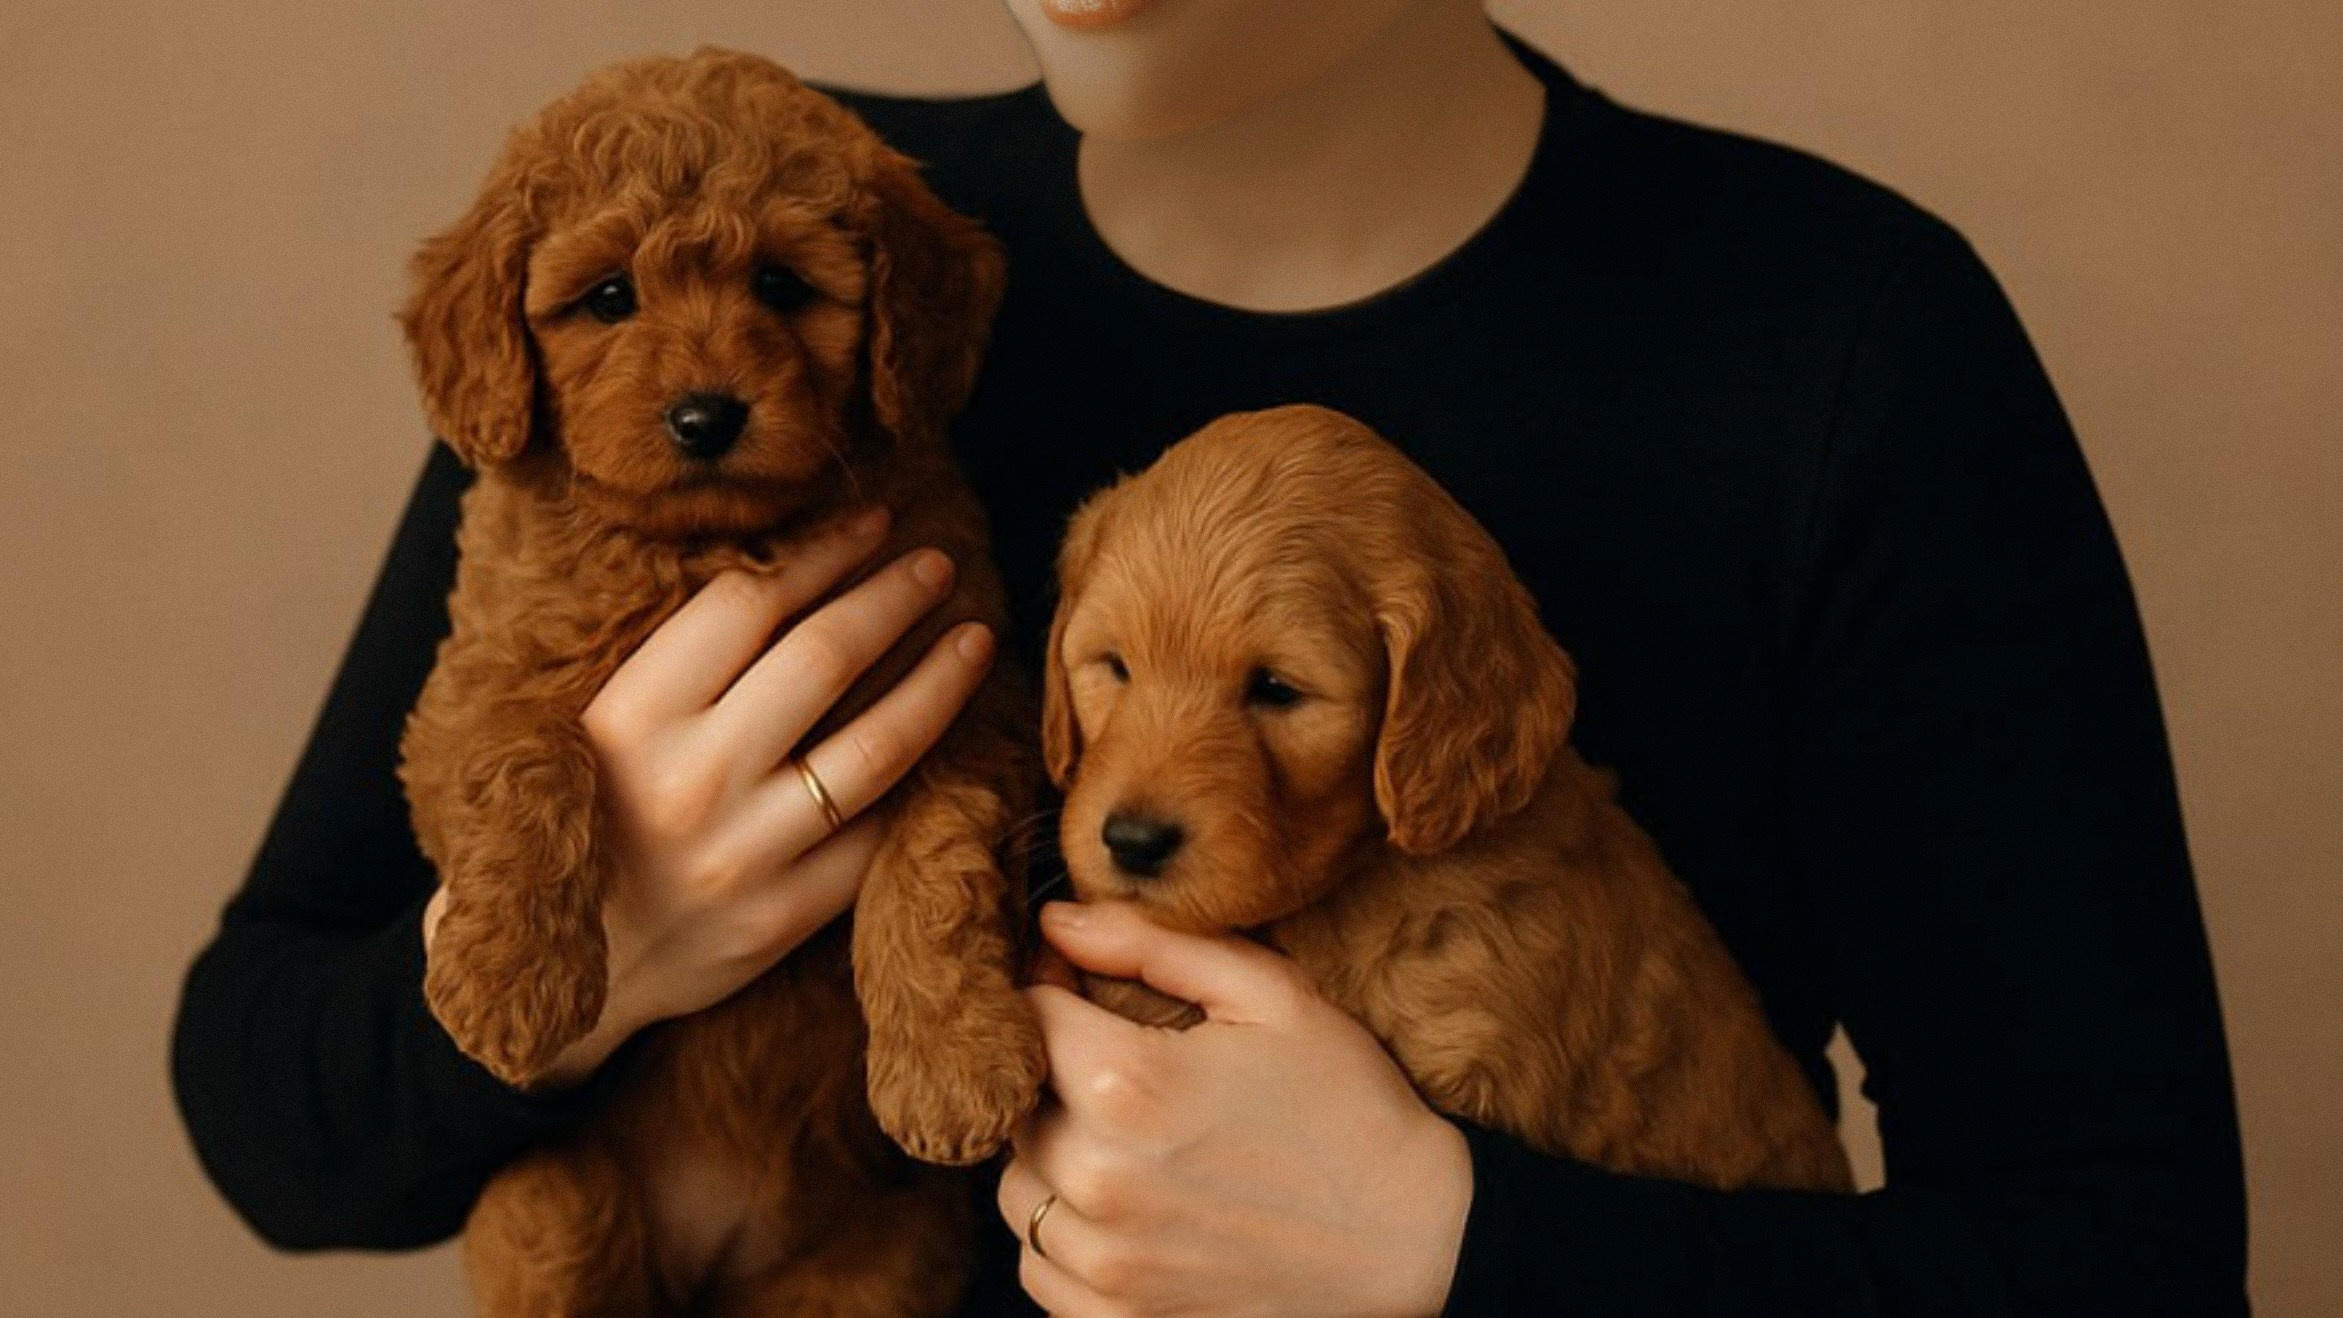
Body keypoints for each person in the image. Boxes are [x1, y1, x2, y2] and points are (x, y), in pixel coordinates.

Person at [172, 1, 2249, 1313]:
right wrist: (618, 926)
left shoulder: (1838, 340)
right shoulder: (774, 247)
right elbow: (264, 1099)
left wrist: (1447, 1253)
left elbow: (2124, 1256)